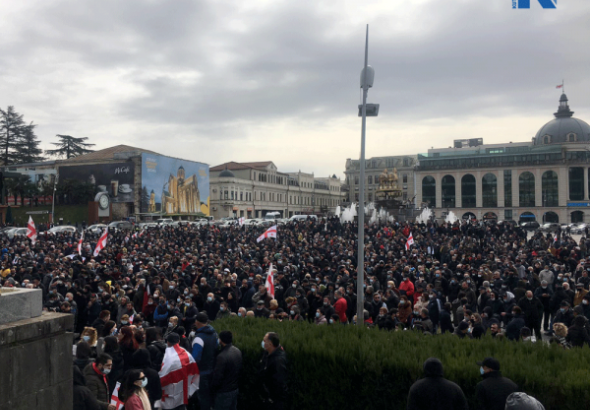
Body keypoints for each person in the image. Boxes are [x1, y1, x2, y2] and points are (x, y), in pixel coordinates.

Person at [192, 312, 218, 410]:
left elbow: (195, 359)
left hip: (202, 373)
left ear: (197, 322)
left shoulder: (199, 338)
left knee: (203, 398)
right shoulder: (214, 334)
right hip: (212, 369)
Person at [211, 331, 242, 410]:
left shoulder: (222, 357)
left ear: (221, 340)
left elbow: (217, 377)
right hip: (234, 389)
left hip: (223, 392)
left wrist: (213, 389)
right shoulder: (237, 350)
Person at [260, 332, 288, 410]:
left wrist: (272, 399)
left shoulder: (278, 361)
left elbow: (279, 383)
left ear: (271, 343)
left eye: (265, 341)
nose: (263, 342)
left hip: (274, 401)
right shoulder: (267, 354)